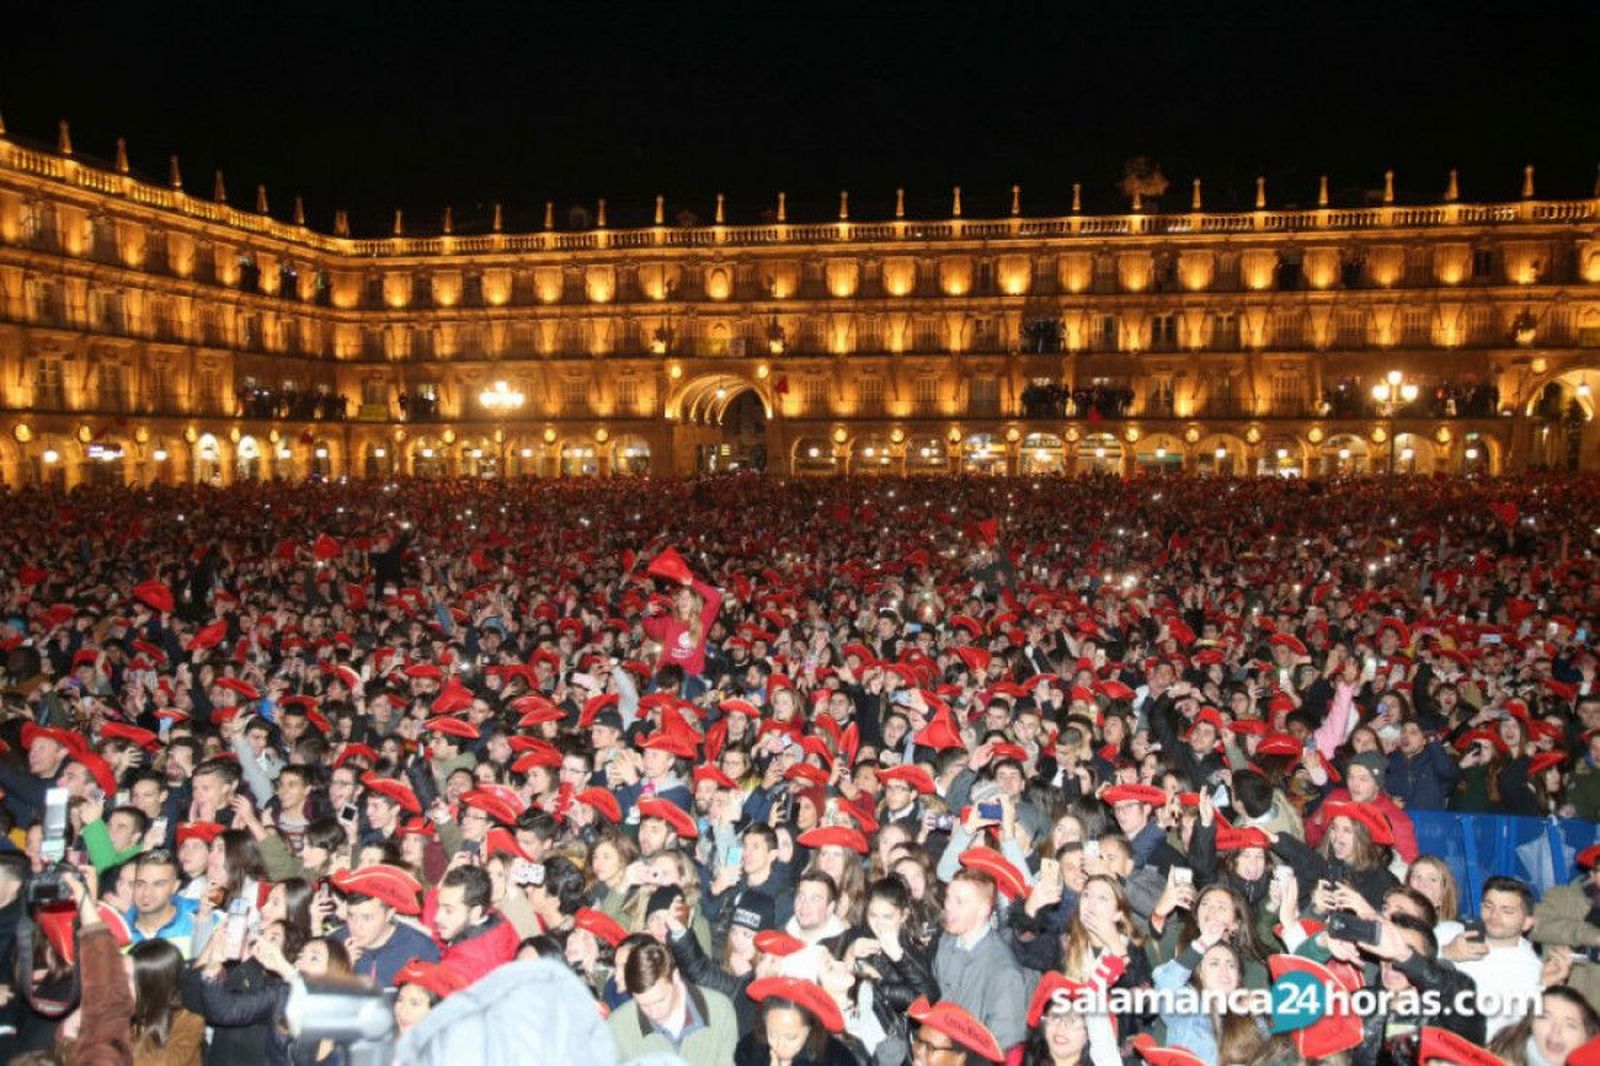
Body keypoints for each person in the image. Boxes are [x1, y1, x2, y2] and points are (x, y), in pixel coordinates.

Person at [933, 866, 1028, 1052]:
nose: (948, 907)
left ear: (984, 910)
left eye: (959, 902)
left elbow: (1004, 1046)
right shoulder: (945, 943)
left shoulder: (1004, 972)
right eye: (948, 898)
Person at [1446, 876, 1548, 1041]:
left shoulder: (1532, 973)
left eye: (1507, 910)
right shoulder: (1451, 933)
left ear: (1527, 923)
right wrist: (1447, 953)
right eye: (1489, 906)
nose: (1494, 915)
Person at [734, 976, 859, 1065]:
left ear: (810, 1028)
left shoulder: (837, 1059)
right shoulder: (749, 1051)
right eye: (772, 1034)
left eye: (791, 1037)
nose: (780, 1046)